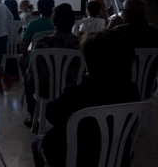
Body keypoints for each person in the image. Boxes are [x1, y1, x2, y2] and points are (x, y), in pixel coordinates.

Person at [32, 29, 139, 167]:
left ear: (90, 64)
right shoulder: (132, 90)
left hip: (75, 158)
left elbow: (51, 114)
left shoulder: (78, 93)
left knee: (37, 142)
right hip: (117, 157)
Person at [23, 3, 80, 128]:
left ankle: (33, 116)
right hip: (72, 90)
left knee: (28, 75)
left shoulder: (42, 43)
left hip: (44, 89)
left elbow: (32, 69)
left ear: (54, 22)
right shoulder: (80, 43)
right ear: (72, 22)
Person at [20, 0, 55, 71]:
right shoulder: (58, 23)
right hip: (55, 62)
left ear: (39, 8)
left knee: (21, 60)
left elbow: (23, 48)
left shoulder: (33, 24)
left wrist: (28, 55)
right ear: (53, 8)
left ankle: (30, 81)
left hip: (36, 62)